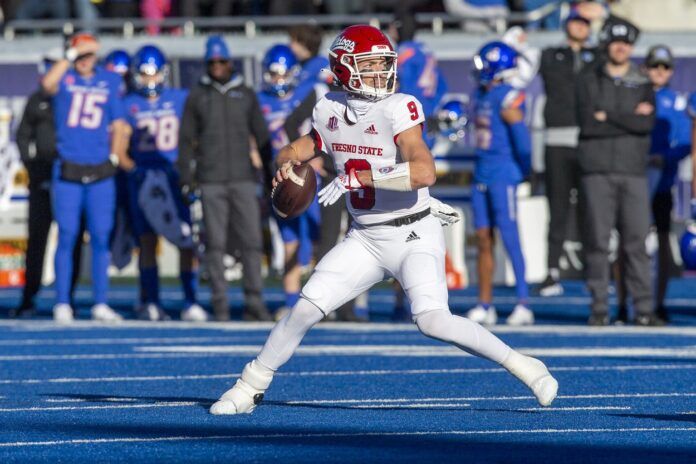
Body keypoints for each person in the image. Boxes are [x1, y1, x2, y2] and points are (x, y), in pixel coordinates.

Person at [208, 25, 558, 415]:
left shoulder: (398, 107)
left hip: (413, 231)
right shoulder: (329, 108)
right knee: (306, 307)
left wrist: (362, 176)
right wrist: (286, 165)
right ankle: (249, 386)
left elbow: (425, 172)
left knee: (433, 321)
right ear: (344, 68)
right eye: (369, 65)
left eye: (382, 65)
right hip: (366, 238)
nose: (380, 73)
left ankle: (523, 364)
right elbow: (295, 149)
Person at [177, 36, 273, 321]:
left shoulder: (245, 93)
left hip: (243, 177)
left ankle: (254, 300)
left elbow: (262, 136)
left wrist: (270, 176)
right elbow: (185, 140)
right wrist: (186, 177)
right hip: (211, 180)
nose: (217, 66)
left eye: (221, 61)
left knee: (252, 242)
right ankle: (220, 303)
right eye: (212, 62)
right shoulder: (197, 95)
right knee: (215, 245)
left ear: (230, 62)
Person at [41, 32, 131, 323]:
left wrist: (116, 157)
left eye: (88, 54)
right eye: (79, 55)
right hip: (69, 167)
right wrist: (70, 54)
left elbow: (119, 124)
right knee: (67, 236)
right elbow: (47, 84)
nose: (84, 60)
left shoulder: (109, 80)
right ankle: (63, 301)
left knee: (101, 238)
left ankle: (100, 302)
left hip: (100, 171)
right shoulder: (64, 77)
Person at [577, 20, 660, 326]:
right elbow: (588, 122)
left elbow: (646, 124)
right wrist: (628, 118)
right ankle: (599, 308)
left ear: (632, 47)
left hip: (633, 171)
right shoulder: (588, 78)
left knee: (636, 244)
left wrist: (608, 116)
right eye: (615, 42)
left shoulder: (642, 81)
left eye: (626, 43)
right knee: (598, 242)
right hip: (596, 170)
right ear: (607, 45)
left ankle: (643, 310)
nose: (621, 47)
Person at [122, 45, 209, 322]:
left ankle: (190, 301)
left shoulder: (180, 98)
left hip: (174, 176)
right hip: (144, 176)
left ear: (165, 73)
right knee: (147, 241)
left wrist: (191, 168)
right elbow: (120, 148)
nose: (150, 81)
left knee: (186, 240)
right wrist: (135, 171)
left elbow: (198, 134)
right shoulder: (127, 103)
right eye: (144, 75)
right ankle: (152, 301)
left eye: (154, 74)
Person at [464, 41, 534, 326]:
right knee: (482, 238)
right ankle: (485, 302)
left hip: (502, 173)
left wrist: (524, 171)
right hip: (481, 171)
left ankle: (523, 302)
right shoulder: (481, 94)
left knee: (509, 235)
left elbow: (524, 143)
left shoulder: (509, 96)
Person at [11, 49, 83, 318]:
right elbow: (22, 136)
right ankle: (29, 297)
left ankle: (68, 297)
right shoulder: (37, 100)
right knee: (38, 238)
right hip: (43, 177)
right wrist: (33, 168)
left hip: (73, 176)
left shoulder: (77, 95)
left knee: (72, 237)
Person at [257, 44, 321, 319]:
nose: (278, 80)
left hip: (310, 174)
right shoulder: (260, 100)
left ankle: (320, 300)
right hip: (280, 177)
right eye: (273, 74)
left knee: (319, 238)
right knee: (289, 239)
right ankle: (292, 300)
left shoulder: (307, 95)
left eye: (282, 74)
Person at [538, 6, 597, 296]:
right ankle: (551, 273)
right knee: (558, 210)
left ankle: (594, 274)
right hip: (557, 142)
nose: (580, 26)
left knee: (591, 210)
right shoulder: (551, 54)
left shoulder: (597, 57)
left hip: (588, 142)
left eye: (585, 22)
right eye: (576, 21)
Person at [636, 45, 691, 322]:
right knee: (631, 242)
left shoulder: (675, 101)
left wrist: (662, 157)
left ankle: (657, 303)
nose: (659, 71)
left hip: (661, 182)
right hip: (632, 180)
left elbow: (684, 142)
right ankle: (627, 303)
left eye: (665, 67)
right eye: (654, 65)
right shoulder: (633, 94)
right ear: (645, 67)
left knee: (660, 242)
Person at [288, 25, 330, 92]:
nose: (289, 45)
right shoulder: (296, 64)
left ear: (303, 43)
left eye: (293, 41)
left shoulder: (322, 64)